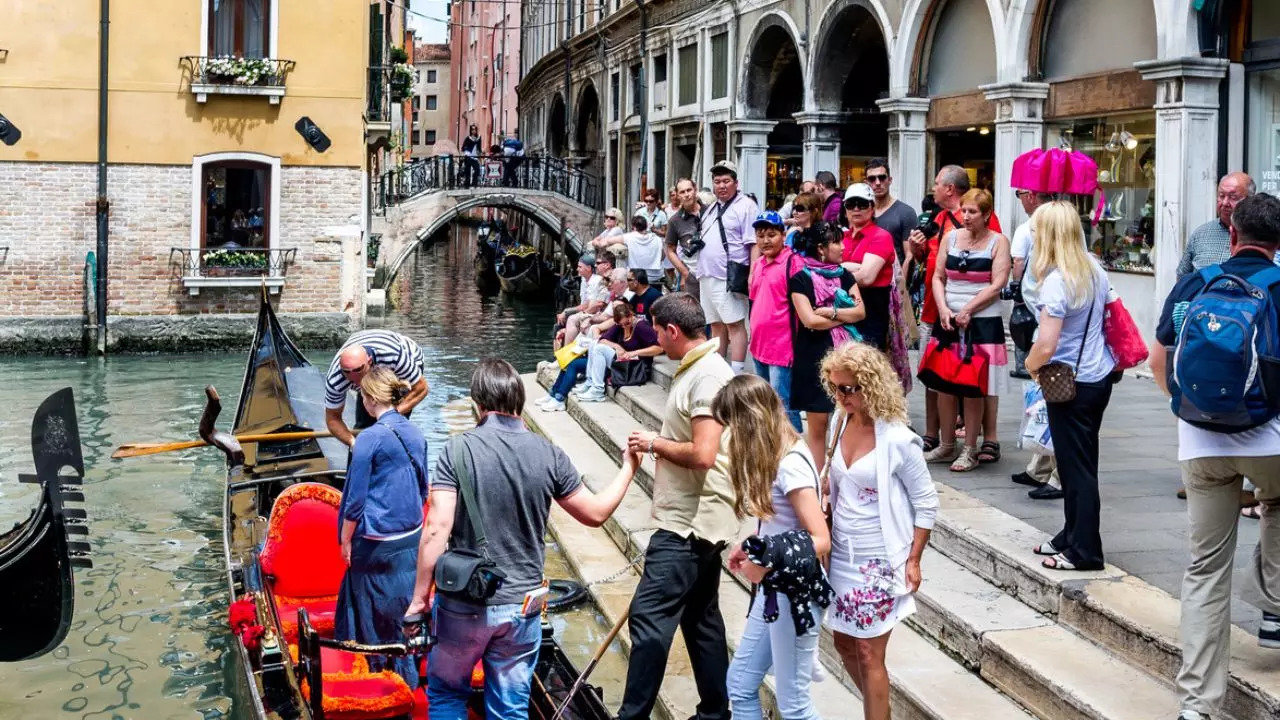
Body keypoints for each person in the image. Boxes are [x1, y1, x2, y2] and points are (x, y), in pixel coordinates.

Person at [407, 358, 640, 720]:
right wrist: (628, 469)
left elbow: (436, 529)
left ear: (479, 404)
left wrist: (419, 599)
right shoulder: (548, 453)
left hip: (464, 605)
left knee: (448, 695)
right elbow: (595, 514)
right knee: (510, 708)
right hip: (522, 606)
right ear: (520, 401)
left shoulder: (457, 450)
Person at [1147, 193, 1280, 720]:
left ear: (1231, 233)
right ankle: (1272, 597)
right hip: (1271, 440)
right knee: (1277, 504)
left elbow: (1159, 352)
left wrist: (1184, 410)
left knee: (1205, 568)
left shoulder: (1196, 284)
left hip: (1199, 443)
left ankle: (1197, 706)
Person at [620, 293, 738, 720]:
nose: (654, 338)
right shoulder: (702, 369)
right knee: (702, 620)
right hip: (702, 517)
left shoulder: (706, 376)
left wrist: (654, 443)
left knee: (649, 620)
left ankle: (631, 716)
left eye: (657, 330)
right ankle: (715, 714)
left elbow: (705, 453)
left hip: (690, 522)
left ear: (673, 330)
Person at [820, 342, 938, 720]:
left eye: (848, 389)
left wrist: (914, 558)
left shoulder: (899, 440)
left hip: (879, 561)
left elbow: (927, 502)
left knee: (871, 653)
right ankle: (880, 707)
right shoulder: (840, 422)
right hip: (840, 555)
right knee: (842, 643)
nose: (840, 396)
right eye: (835, 387)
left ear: (870, 385)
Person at [718, 375, 831, 720]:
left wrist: (765, 563)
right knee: (740, 683)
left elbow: (820, 539)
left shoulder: (791, 465)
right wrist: (751, 546)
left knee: (794, 705)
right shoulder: (781, 454)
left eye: (733, 426)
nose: (730, 436)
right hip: (776, 592)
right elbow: (781, 527)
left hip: (794, 595)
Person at [1024, 201, 1116, 572]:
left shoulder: (1059, 281)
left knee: (1076, 469)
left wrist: (1032, 367)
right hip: (1097, 377)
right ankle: (1070, 533)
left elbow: (1046, 344)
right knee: (1079, 461)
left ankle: (1085, 551)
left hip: (1071, 384)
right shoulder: (1094, 268)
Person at [335, 367, 428, 687]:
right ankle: (411, 668)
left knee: (369, 605)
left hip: (377, 542)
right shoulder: (416, 432)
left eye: (361, 395)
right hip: (412, 534)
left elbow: (355, 501)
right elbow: (423, 487)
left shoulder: (368, 439)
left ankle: (380, 674)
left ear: (371, 398)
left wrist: (345, 540)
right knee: (403, 601)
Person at [906, 166, 1002, 453]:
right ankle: (936, 434)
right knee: (936, 375)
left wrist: (968, 306)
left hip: (975, 314)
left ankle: (988, 438)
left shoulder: (988, 222)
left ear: (950, 188)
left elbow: (992, 268)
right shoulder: (937, 220)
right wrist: (916, 248)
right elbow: (933, 267)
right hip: (937, 310)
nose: (933, 189)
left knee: (979, 379)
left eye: (937, 183)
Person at [921, 188, 1010, 472]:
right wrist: (944, 309)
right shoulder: (950, 237)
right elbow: (937, 276)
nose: (967, 216)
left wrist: (969, 309)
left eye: (973, 212)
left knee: (974, 388)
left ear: (986, 215)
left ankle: (970, 448)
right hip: (949, 316)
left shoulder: (998, 242)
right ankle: (947, 444)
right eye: (964, 210)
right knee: (944, 385)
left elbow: (997, 285)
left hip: (982, 321)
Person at [790, 222, 866, 473]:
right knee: (818, 424)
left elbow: (860, 312)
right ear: (821, 249)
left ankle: (843, 475)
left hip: (848, 356)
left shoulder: (845, 275)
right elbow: (809, 320)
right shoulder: (800, 279)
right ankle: (817, 480)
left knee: (849, 416)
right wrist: (844, 315)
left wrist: (832, 311)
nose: (843, 247)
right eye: (837, 242)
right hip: (814, 355)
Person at [1008, 188, 1064, 500]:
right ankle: (1041, 465)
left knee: (1053, 407)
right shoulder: (1050, 264)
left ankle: (1057, 474)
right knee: (1041, 407)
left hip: (1059, 350)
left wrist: (1033, 361)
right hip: (1043, 333)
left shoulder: (1064, 273)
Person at [697, 161, 760, 374]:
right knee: (715, 324)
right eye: (717, 182)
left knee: (734, 323)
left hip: (729, 274)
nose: (721, 186)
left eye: (726, 181)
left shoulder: (746, 205)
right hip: (707, 273)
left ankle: (737, 372)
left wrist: (752, 273)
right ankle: (719, 370)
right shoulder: (711, 207)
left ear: (736, 182)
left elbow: (753, 243)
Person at [541, 302, 663, 408]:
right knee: (592, 346)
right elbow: (602, 339)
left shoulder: (642, 326)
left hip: (635, 365)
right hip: (621, 361)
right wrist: (617, 346)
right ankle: (560, 392)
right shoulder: (619, 326)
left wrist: (633, 353)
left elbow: (659, 348)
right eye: (621, 325)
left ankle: (596, 390)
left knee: (596, 350)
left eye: (627, 323)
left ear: (631, 315)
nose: (624, 326)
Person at [748, 210, 804, 432]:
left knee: (784, 406)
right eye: (760, 235)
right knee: (764, 403)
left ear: (783, 235)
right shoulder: (759, 263)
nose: (765, 240)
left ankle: (795, 455)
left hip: (782, 348)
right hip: (758, 346)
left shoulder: (793, 263)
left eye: (771, 234)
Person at [324, 330, 430, 447]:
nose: (356, 379)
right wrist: (354, 444)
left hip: (406, 361)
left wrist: (389, 415)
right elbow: (333, 419)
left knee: (392, 426)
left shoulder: (393, 356)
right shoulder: (336, 379)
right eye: (353, 381)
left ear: (369, 362)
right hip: (371, 369)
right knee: (364, 427)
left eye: (359, 374)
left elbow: (421, 388)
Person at [839, 183, 896, 350]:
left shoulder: (881, 236)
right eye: (851, 204)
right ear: (845, 210)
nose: (856, 208)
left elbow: (866, 277)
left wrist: (839, 269)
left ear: (872, 208)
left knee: (866, 367)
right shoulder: (842, 236)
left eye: (862, 204)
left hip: (872, 310)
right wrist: (853, 267)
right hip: (844, 309)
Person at [1177, 172, 1255, 277]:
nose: (1224, 203)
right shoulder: (1200, 235)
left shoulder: (1262, 236)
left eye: (1233, 197)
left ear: (1250, 200)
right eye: (1221, 196)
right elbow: (1182, 278)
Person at [864, 158, 918, 261]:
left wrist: (904, 277)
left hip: (895, 275)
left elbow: (909, 257)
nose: (878, 182)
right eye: (872, 179)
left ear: (890, 180)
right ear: (866, 183)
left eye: (882, 177)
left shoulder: (906, 213)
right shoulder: (862, 212)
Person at [555, 254, 611, 350]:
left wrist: (567, 311)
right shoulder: (584, 280)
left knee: (572, 319)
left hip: (595, 313)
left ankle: (566, 352)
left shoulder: (597, 281)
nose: (577, 269)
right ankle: (557, 357)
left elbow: (590, 305)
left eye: (580, 267)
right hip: (590, 311)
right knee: (557, 326)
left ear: (589, 268)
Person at [666, 178, 704, 298]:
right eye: (682, 192)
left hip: (714, 274)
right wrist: (685, 273)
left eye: (689, 190)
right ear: (677, 195)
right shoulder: (675, 220)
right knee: (694, 314)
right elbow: (670, 250)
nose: (687, 195)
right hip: (693, 276)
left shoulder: (711, 211)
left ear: (695, 190)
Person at [625, 214, 665, 282]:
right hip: (656, 276)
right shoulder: (658, 239)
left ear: (634, 227)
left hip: (636, 277)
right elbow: (662, 257)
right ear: (646, 226)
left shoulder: (629, 237)